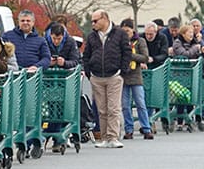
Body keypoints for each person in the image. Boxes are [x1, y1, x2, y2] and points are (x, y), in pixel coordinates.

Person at [83, 9, 131, 148]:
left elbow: (126, 52)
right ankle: (104, 137)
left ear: (104, 19)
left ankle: (113, 137)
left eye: (95, 21)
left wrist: (122, 71)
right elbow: (86, 55)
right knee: (102, 109)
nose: (93, 24)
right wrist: (89, 72)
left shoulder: (120, 33)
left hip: (114, 75)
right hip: (97, 76)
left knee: (113, 108)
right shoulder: (92, 36)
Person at [45, 22, 80, 152]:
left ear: (63, 36)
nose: (56, 41)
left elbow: (75, 61)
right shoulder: (44, 42)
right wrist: (48, 62)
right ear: (50, 35)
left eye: (59, 39)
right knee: (51, 108)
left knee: (63, 109)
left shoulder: (70, 42)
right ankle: (54, 135)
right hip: (48, 81)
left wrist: (64, 63)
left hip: (65, 80)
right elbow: (41, 59)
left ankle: (58, 138)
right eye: (54, 38)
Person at [120, 18, 154, 140]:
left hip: (136, 76)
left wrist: (130, 55)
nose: (126, 34)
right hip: (123, 76)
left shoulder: (140, 41)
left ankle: (146, 128)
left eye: (128, 31)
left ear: (133, 30)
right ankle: (128, 129)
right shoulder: (120, 42)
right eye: (123, 31)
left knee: (140, 103)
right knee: (125, 105)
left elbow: (145, 57)